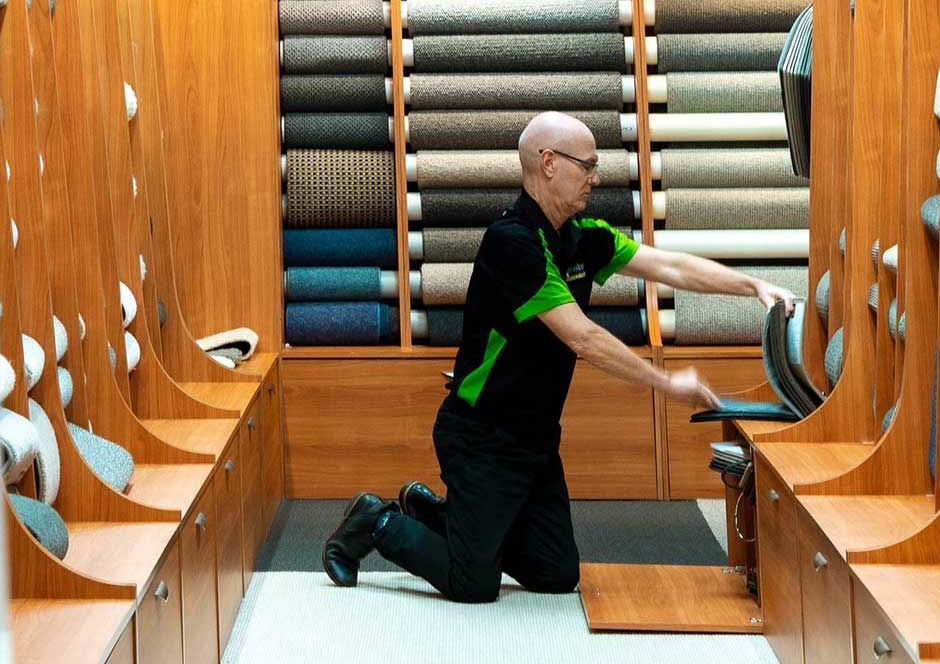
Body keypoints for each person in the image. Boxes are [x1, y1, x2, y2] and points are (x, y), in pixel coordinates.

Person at [321, 111, 793, 602]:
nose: (596, 175)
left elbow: (667, 264)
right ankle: (377, 521)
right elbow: (582, 339)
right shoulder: (513, 243)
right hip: (481, 435)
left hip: (535, 439)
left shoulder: (582, 234)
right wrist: (667, 382)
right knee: (473, 585)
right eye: (586, 164)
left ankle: (435, 514)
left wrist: (753, 284)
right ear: (548, 163)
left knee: (556, 574)